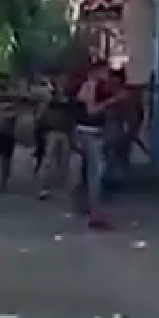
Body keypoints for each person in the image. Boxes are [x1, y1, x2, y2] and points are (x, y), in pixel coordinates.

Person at [74, 61, 125, 229]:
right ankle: (94, 213)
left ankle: (89, 207)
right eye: (105, 71)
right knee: (96, 171)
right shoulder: (90, 86)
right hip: (88, 133)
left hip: (92, 132)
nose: (107, 75)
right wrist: (112, 101)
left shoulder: (96, 86)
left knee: (92, 171)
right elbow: (91, 111)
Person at [34, 75, 73, 200]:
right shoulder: (49, 99)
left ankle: (61, 186)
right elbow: (41, 115)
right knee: (48, 161)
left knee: (64, 162)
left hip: (64, 132)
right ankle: (44, 187)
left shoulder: (68, 99)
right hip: (52, 132)